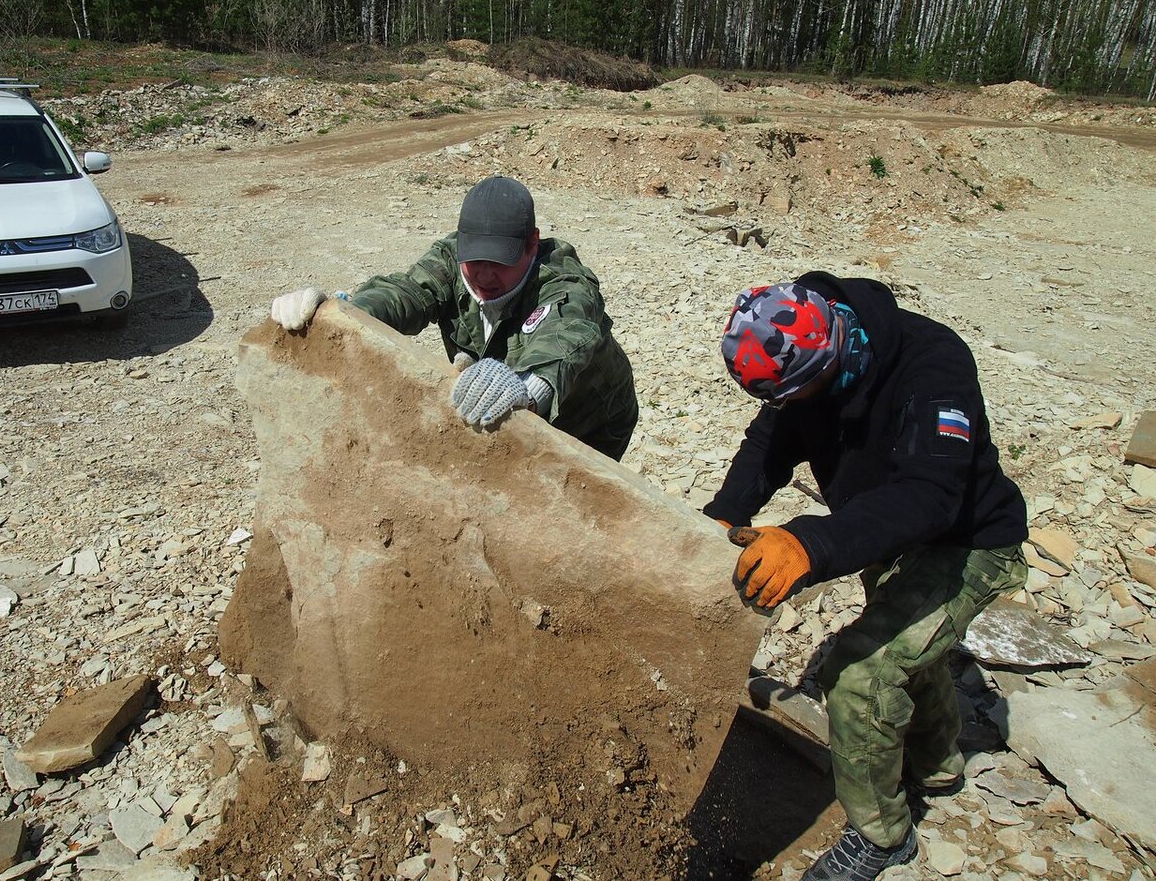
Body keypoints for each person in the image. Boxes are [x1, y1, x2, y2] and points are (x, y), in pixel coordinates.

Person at [703, 276, 1028, 881]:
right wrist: (725, 512)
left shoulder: (932, 362)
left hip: (967, 542)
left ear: (835, 349)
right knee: (909, 650)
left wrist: (813, 542)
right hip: (884, 534)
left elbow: (931, 493)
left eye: (802, 394)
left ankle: (883, 837)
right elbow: (770, 443)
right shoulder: (801, 375)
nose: (794, 410)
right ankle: (936, 764)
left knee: (856, 672)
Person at [270, 175, 638, 460]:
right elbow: (407, 293)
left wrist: (527, 388)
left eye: (500, 262)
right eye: (475, 260)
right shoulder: (450, 260)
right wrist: (343, 312)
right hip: (501, 402)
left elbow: (564, 335)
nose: (484, 276)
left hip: (588, 421)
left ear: (531, 244)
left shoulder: (564, 281)